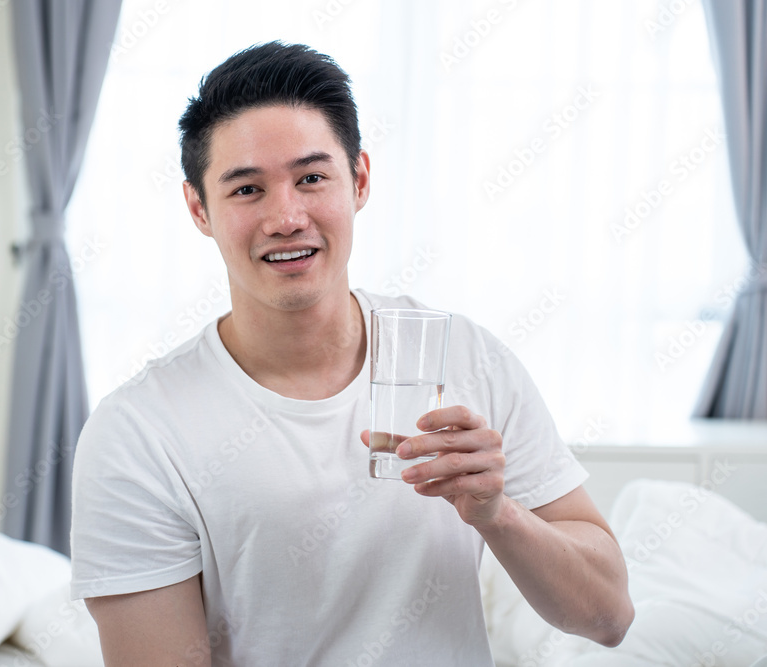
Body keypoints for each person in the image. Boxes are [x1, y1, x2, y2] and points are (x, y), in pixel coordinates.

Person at [70, 41, 633, 666]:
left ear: (359, 179)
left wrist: (498, 513)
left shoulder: (467, 358)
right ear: (198, 208)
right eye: (247, 190)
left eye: (311, 178)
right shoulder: (138, 433)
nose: (286, 217)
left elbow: (608, 616)